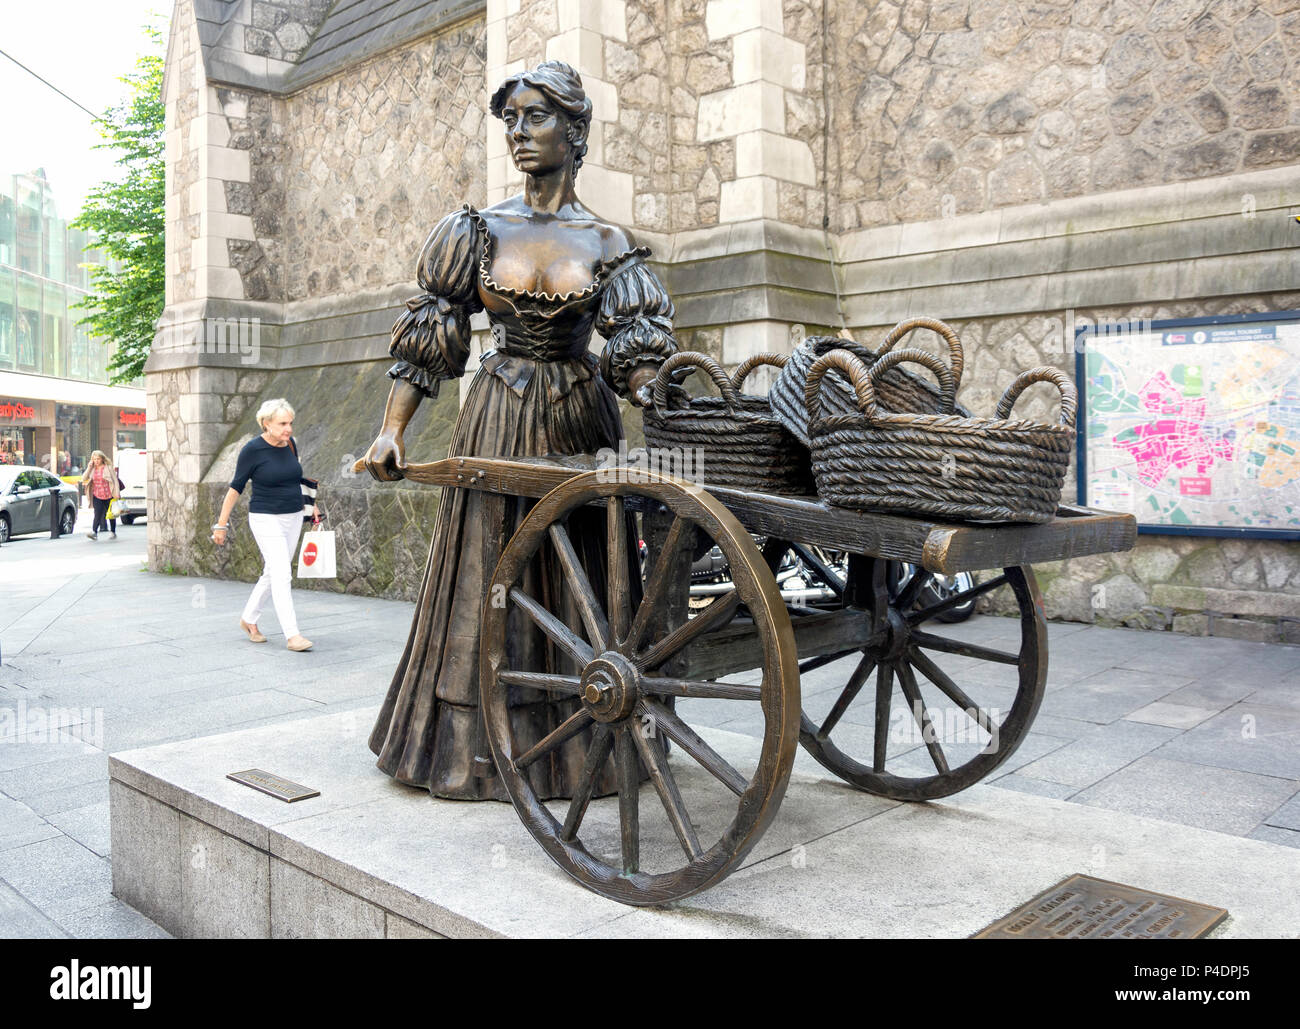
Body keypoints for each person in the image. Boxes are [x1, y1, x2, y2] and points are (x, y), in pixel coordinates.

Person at [362, 61, 678, 800]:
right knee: (487, 573)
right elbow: (431, 335)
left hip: (579, 418)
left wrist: (650, 387)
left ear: (575, 132)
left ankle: (580, 746)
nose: (519, 133)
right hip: (498, 417)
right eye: (511, 119)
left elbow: (635, 350)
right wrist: (391, 431)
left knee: (579, 580)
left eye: (535, 117)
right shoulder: (476, 230)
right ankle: (470, 751)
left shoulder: (605, 242)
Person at [212, 399, 316, 652]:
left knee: (273, 572)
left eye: (290, 423)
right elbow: (236, 487)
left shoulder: (291, 444)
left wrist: (314, 509)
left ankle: (248, 620)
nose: (288, 428)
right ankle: (293, 636)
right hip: (265, 518)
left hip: (293, 516)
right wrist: (221, 524)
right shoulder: (252, 450)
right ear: (266, 423)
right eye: (282, 423)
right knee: (282, 574)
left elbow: (296, 479)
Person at [81, 450, 120, 540]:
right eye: (94, 459)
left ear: (102, 459)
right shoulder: (92, 468)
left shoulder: (108, 467)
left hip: (109, 495)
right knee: (97, 514)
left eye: (98, 459)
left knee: (111, 514)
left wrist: (116, 493)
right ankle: (94, 532)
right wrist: (89, 467)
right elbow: (83, 478)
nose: (96, 461)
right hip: (97, 495)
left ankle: (113, 532)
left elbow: (115, 481)